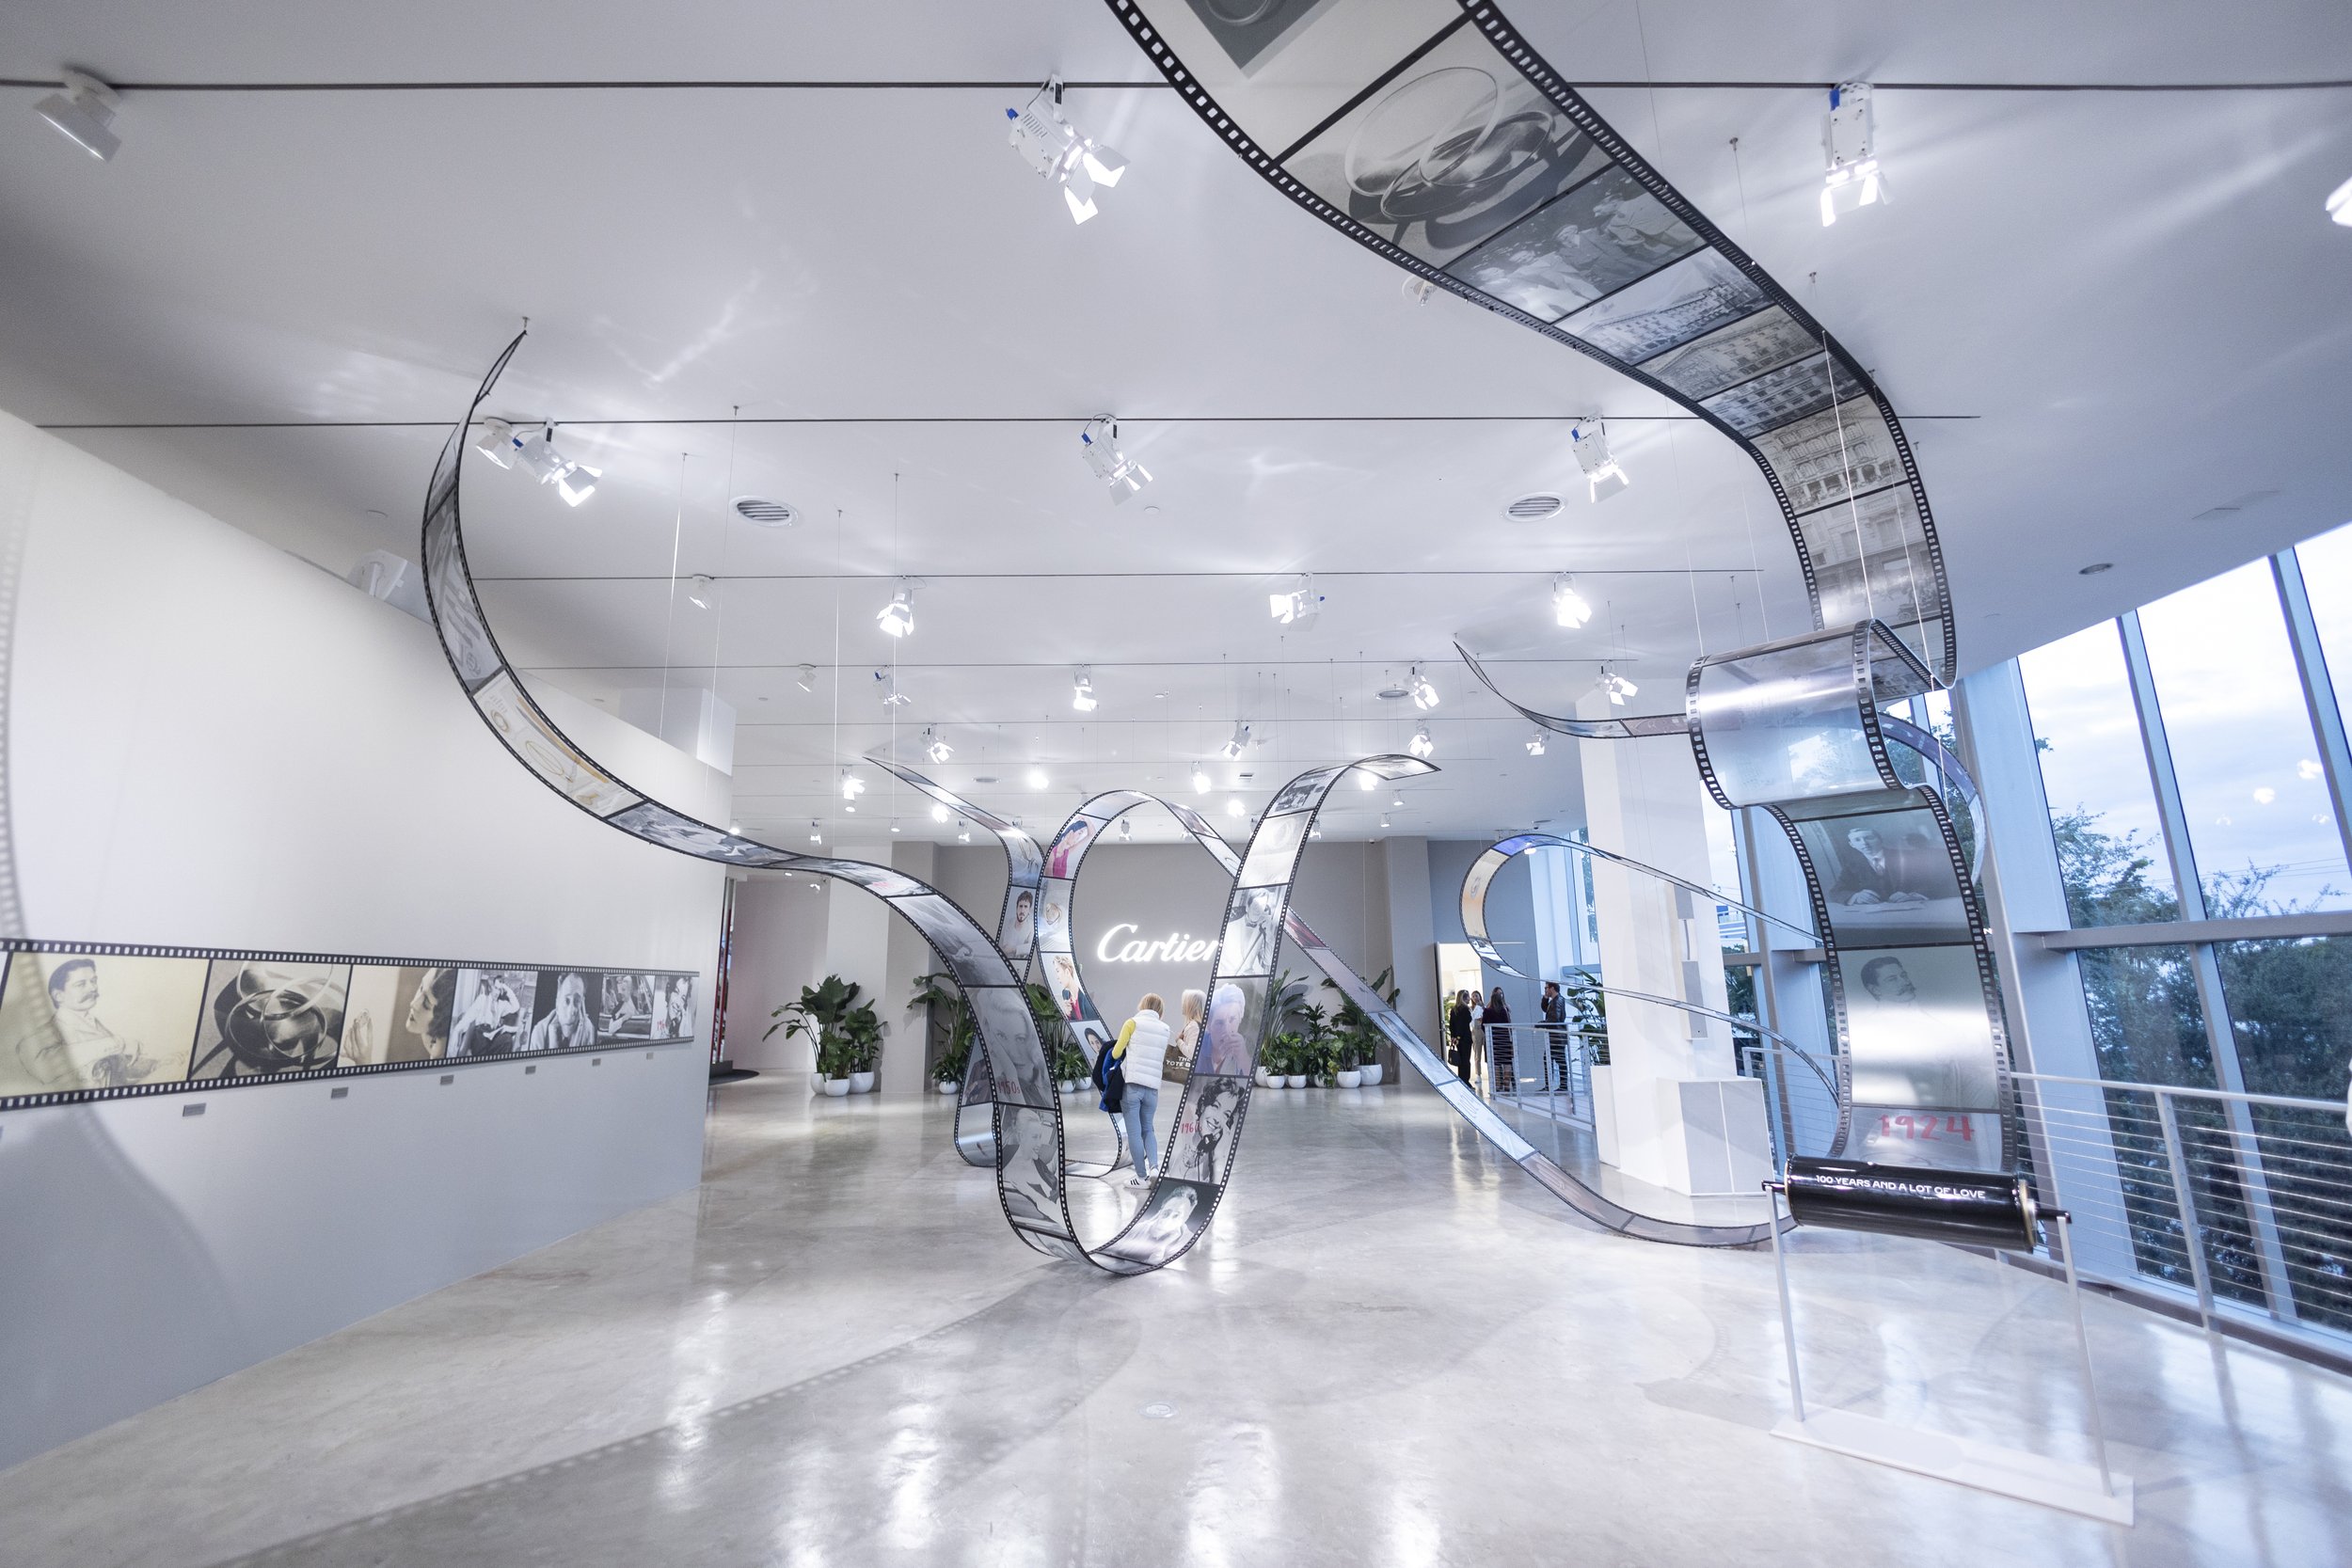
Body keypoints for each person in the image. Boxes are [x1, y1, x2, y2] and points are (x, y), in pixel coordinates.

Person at [14, 958, 168, 1089]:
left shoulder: (93, 1023)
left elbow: (116, 1063)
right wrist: (118, 1043)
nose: (93, 988)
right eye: (81, 984)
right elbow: (40, 1063)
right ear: (58, 995)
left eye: (93, 981)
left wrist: (155, 1065)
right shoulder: (52, 1029)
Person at [1113, 992, 1172, 1188]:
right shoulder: (1165, 1029)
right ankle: (1155, 1168)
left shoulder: (1132, 1023)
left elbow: (1116, 1052)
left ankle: (1141, 1177)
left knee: (1135, 1133)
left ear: (1142, 1005)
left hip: (1132, 1087)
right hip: (1152, 1089)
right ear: (1159, 1011)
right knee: (1149, 1129)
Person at [1832, 824, 1941, 907]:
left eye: (1869, 838)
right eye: (1857, 840)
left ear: (1880, 839)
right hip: (1876, 918)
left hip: (1916, 910)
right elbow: (1836, 891)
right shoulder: (1852, 866)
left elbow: (1936, 882)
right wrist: (1855, 896)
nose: (1864, 843)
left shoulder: (1907, 857)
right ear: (1852, 845)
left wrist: (1914, 895)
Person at [531, 973, 595, 1052]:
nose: (571, 1011)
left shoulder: (588, 1029)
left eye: (577, 1001)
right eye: (567, 1000)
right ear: (557, 1002)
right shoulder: (539, 1032)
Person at [1168, 989, 1205, 1085]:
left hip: (1195, 1078)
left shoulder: (1193, 1026)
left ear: (1190, 1005)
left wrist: (1178, 1040)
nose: (1182, 1006)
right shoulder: (1200, 1025)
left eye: (1184, 1002)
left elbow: (1191, 1053)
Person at [1539, 981, 1568, 1088]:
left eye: (1546, 988)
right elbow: (1545, 1009)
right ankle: (1552, 1086)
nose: (1545, 990)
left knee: (1557, 1061)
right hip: (1556, 1036)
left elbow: (1554, 1019)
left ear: (1552, 988)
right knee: (1551, 1060)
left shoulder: (1557, 1001)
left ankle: (1560, 1086)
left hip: (1556, 1037)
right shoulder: (1555, 1000)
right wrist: (1545, 998)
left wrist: (1540, 1024)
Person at [1486, 987, 1515, 1092]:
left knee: (1496, 1063)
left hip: (1494, 1039)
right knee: (1507, 1062)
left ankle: (1498, 1085)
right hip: (1505, 1038)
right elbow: (1508, 1024)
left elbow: (1484, 1025)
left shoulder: (1488, 1010)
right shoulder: (1504, 1010)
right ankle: (1507, 1085)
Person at [1447, 990, 1473, 1083]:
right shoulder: (1465, 1009)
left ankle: (1461, 1079)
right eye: (1468, 997)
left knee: (1461, 1060)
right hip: (1465, 1038)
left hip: (1457, 1039)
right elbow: (1465, 1023)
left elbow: (1451, 1025)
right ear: (1465, 998)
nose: (1470, 999)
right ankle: (1466, 1080)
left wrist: (1454, 1037)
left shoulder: (1454, 1010)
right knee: (1466, 1060)